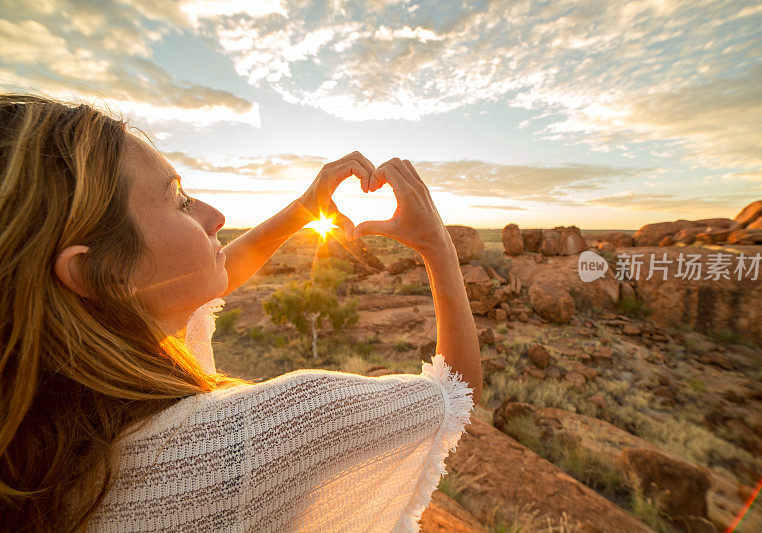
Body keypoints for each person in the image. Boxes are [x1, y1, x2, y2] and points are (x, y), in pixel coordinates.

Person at [0, 93, 482, 532]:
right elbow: (455, 393)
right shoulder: (270, 431)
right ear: (97, 272)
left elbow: (215, 275)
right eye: (179, 200)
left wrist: (302, 209)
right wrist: (436, 245)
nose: (215, 216)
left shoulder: (42, 441)